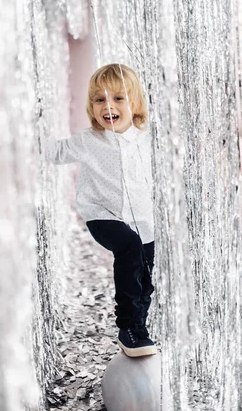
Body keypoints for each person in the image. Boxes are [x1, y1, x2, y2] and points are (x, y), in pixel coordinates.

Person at [41, 63, 156, 357]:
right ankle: (127, 325)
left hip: (142, 219)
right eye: (100, 100)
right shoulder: (89, 141)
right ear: (92, 107)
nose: (109, 106)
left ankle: (139, 328)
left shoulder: (149, 138)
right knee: (128, 248)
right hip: (102, 215)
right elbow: (54, 153)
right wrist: (34, 122)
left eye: (118, 98)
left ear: (136, 103)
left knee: (143, 277)